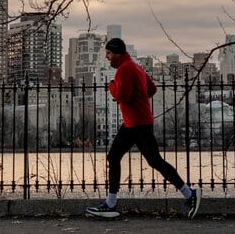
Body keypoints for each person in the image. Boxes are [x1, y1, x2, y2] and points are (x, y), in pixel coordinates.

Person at [85, 38, 201, 219]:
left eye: (108, 54)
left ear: (117, 53)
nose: (107, 58)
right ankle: (111, 203)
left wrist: (111, 86)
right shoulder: (136, 67)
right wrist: (139, 97)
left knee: (148, 160)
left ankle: (189, 193)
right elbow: (152, 89)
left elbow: (122, 96)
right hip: (136, 122)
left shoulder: (125, 69)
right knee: (134, 158)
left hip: (137, 124)